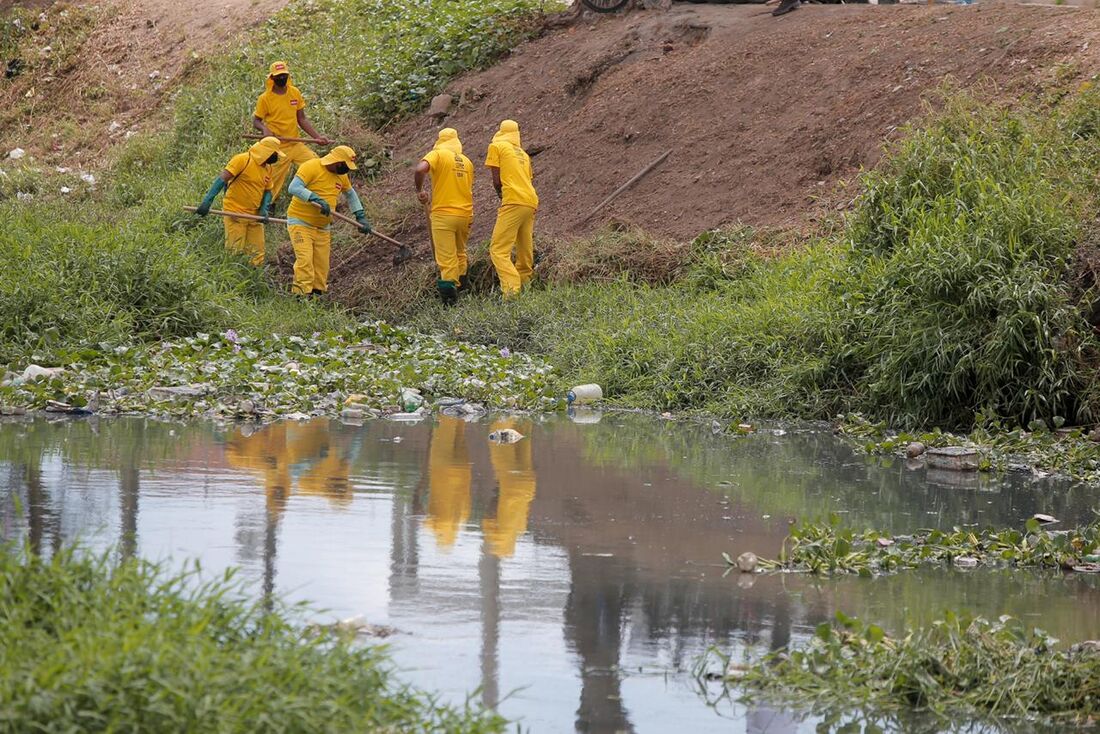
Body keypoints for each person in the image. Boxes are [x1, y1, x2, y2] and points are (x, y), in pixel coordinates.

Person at [285, 145, 371, 296]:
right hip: (300, 222)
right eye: (345, 166)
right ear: (337, 162)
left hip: (323, 226)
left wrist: (360, 216)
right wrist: (314, 198)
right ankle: (300, 296)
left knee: (321, 265)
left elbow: (350, 195)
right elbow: (293, 187)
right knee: (305, 261)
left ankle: (316, 296)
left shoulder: (341, 176)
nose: (347, 170)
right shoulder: (311, 166)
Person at [194, 136, 284, 266]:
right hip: (235, 212)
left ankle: (253, 277)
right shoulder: (243, 160)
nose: (276, 157)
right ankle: (232, 279)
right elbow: (222, 179)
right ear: (266, 151)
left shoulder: (268, 168)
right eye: (275, 154)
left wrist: (264, 209)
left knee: (257, 253)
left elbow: (268, 191)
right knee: (235, 250)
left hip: (254, 215)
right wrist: (208, 200)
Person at [252, 61, 332, 195]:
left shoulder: (294, 93)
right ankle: (268, 208)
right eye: (278, 76)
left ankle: (322, 196)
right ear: (272, 78)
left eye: (284, 75)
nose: (282, 78)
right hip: (277, 147)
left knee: (316, 165)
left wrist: (317, 137)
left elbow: (302, 119)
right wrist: (264, 129)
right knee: (272, 180)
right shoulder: (265, 98)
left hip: (295, 144)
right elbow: (256, 121)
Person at [414, 128, 474, 305]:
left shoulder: (438, 154)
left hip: (444, 214)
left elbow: (420, 169)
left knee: (447, 258)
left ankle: (450, 303)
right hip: (465, 214)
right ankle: (462, 290)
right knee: (460, 253)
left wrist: (419, 190)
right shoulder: (467, 162)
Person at [485, 119, 539, 297]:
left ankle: (511, 290)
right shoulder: (524, 154)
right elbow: (527, 178)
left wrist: (501, 195)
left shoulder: (497, 146)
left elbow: (497, 180)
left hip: (513, 201)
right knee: (524, 247)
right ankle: (526, 284)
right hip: (530, 201)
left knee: (498, 249)